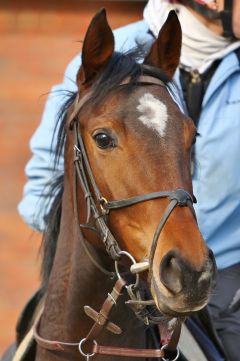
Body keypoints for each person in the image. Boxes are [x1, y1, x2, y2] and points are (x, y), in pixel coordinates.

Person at [18, 1, 240, 360]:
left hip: (224, 273)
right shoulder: (106, 56)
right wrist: (99, 254)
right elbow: (46, 182)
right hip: (111, 263)